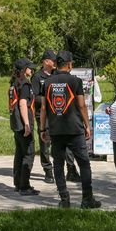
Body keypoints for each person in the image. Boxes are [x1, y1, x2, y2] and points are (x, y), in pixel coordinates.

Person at [39, 50, 101, 209]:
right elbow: (81, 105)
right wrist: (87, 125)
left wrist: (42, 129)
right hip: (74, 129)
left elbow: (44, 108)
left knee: (58, 165)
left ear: (57, 64)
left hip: (55, 130)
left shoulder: (47, 82)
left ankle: (64, 199)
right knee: (84, 164)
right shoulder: (75, 81)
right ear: (69, 64)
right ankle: (87, 199)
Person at [31, 49, 81, 184]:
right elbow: (35, 97)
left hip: (59, 114)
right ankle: (48, 170)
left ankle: (71, 169)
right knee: (45, 143)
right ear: (45, 61)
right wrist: (50, 100)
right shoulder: (37, 77)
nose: (55, 63)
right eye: (53, 60)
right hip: (44, 114)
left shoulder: (56, 75)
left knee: (66, 142)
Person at [9, 58, 40, 196]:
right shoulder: (25, 85)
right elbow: (22, 104)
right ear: (23, 70)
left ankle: (18, 183)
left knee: (19, 153)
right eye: (29, 68)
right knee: (28, 153)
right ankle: (24, 186)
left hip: (15, 123)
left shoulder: (13, 83)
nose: (31, 70)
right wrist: (27, 124)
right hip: (23, 124)